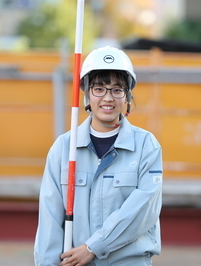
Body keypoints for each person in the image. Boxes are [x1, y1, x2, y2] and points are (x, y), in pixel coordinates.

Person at [34, 46, 163, 266]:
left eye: (117, 89)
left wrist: (94, 247)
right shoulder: (65, 148)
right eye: (99, 89)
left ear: (127, 96)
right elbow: (50, 219)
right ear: (86, 95)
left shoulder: (146, 146)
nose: (108, 98)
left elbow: (142, 211)